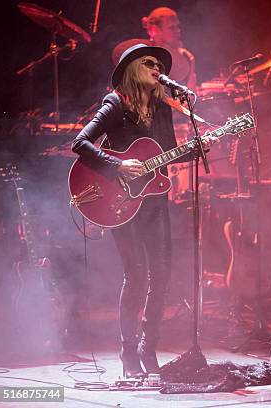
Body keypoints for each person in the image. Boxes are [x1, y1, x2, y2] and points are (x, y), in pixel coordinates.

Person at [72, 44, 182, 377]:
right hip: (121, 200)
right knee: (135, 275)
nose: (157, 67)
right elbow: (81, 143)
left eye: (160, 64)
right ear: (132, 69)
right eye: (149, 62)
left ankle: (149, 348)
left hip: (153, 199)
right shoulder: (116, 103)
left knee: (161, 275)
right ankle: (128, 354)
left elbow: (171, 153)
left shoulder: (164, 108)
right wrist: (117, 164)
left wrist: (201, 148)